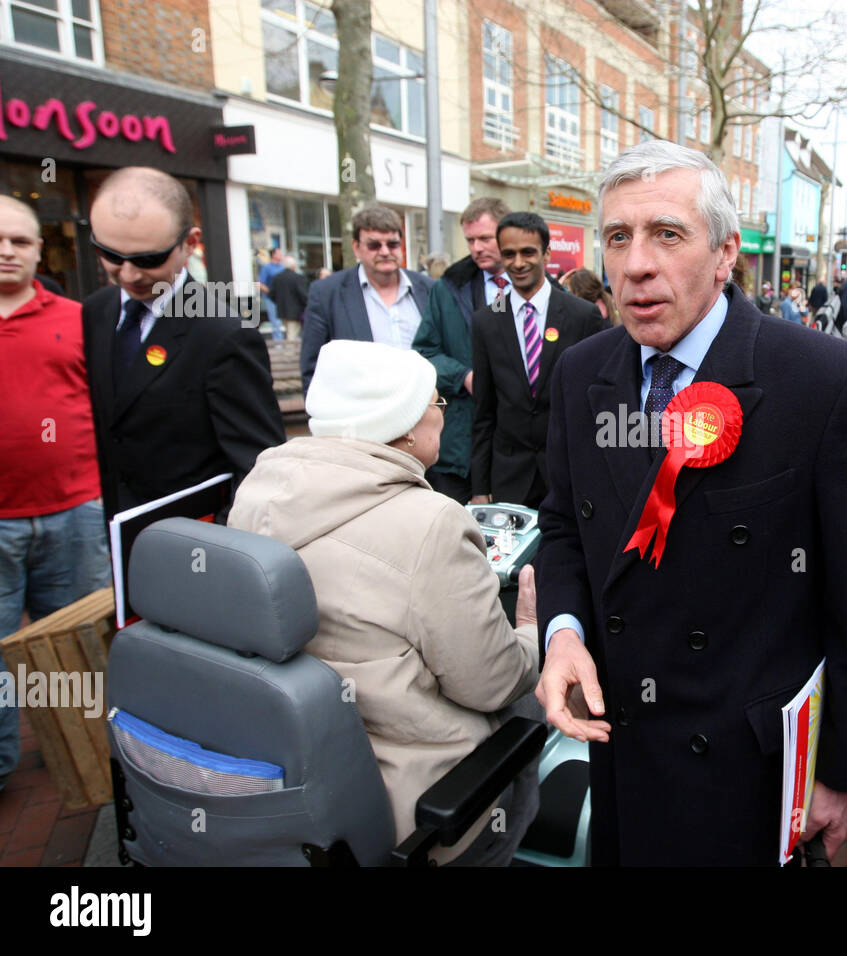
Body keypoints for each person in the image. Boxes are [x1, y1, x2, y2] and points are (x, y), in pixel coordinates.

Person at [534, 141, 847, 866]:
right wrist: (564, 633)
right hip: (624, 751)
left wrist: (843, 778)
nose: (637, 263)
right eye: (617, 237)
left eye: (668, 234)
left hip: (748, 777)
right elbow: (564, 527)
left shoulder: (823, 383)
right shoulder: (580, 373)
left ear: (726, 253)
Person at [227, 340, 540, 864]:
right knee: (530, 701)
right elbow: (492, 684)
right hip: (409, 804)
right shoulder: (433, 522)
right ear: (407, 426)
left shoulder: (257, 489)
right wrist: (530, 630)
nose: (444, 413)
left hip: (286, 779)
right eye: (436, 402)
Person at [82, 167, 285, 520]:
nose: (129, 274)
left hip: (191, 545)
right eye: (111, 255)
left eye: (149, 259)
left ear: (190, 243)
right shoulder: (95, 312)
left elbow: (257, 466)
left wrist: (213, 546)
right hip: (118, 531)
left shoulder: (224, 333)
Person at [0, 196, 109, 792]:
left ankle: (88, 760)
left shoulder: (78, 317)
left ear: (40, 251)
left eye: (20, 240)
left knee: (73, 649)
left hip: (74, 511)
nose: (7, 250)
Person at [470, 212, 602, 508]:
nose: (518, 263)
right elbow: (484, 412)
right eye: (509, 254)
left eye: (528, 252)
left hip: (570, 473)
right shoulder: (485, 322)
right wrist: (480, 487)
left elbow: (598, 402)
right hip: (509, 478)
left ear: (547, 253)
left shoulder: (583, 316)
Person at [411, 198, 511, 504]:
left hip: (518, 448)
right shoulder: (448, 289)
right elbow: (424, 350)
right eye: (470, 240)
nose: (477, 247)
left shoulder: (536, 286)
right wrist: (464, 376)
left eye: (485, 238)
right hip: (460, 444)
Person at [299, 205, 433, 396]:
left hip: (425, 412)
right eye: (374, 245)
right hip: (360, 417)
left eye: (393, 244)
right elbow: (313, 368)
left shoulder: (429, 289)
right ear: (356, 247)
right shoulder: (327, 294)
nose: (385, 251)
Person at [268, 254, 309, 342]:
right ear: (294, 266)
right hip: (295, 312)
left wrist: (278, 302)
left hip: (282, 311)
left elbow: (271, 294)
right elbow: (303, 295)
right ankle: (290, 354)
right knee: (292, 335)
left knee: (289, 332)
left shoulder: (277, 278)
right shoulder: (297, 278)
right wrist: (307, 305)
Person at [257, 246, 286, 341]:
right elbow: (260, 284)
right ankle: (278, 344)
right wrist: (271, 293)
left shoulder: (283, 267)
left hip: (284, 299)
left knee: (285, 322)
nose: (281, 255)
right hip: (272, 300)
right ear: (273, 255)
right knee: (276, 322)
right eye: (279, 253)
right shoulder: (267, 268)